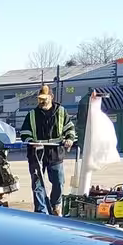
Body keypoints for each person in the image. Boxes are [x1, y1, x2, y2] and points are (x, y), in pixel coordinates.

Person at [19, 84, 76, 215]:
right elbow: (25, 133)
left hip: (55, 154)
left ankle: (55, 206)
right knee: (37, 184)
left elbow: (70, 129)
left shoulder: (61, 112)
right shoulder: (32, 115)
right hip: (36, 154)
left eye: (45, 98)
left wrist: (69, 139)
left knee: (58, 182)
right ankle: (41, 211)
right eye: (40, 99)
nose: (42, 101)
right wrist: (30, 141)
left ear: (51, 97)